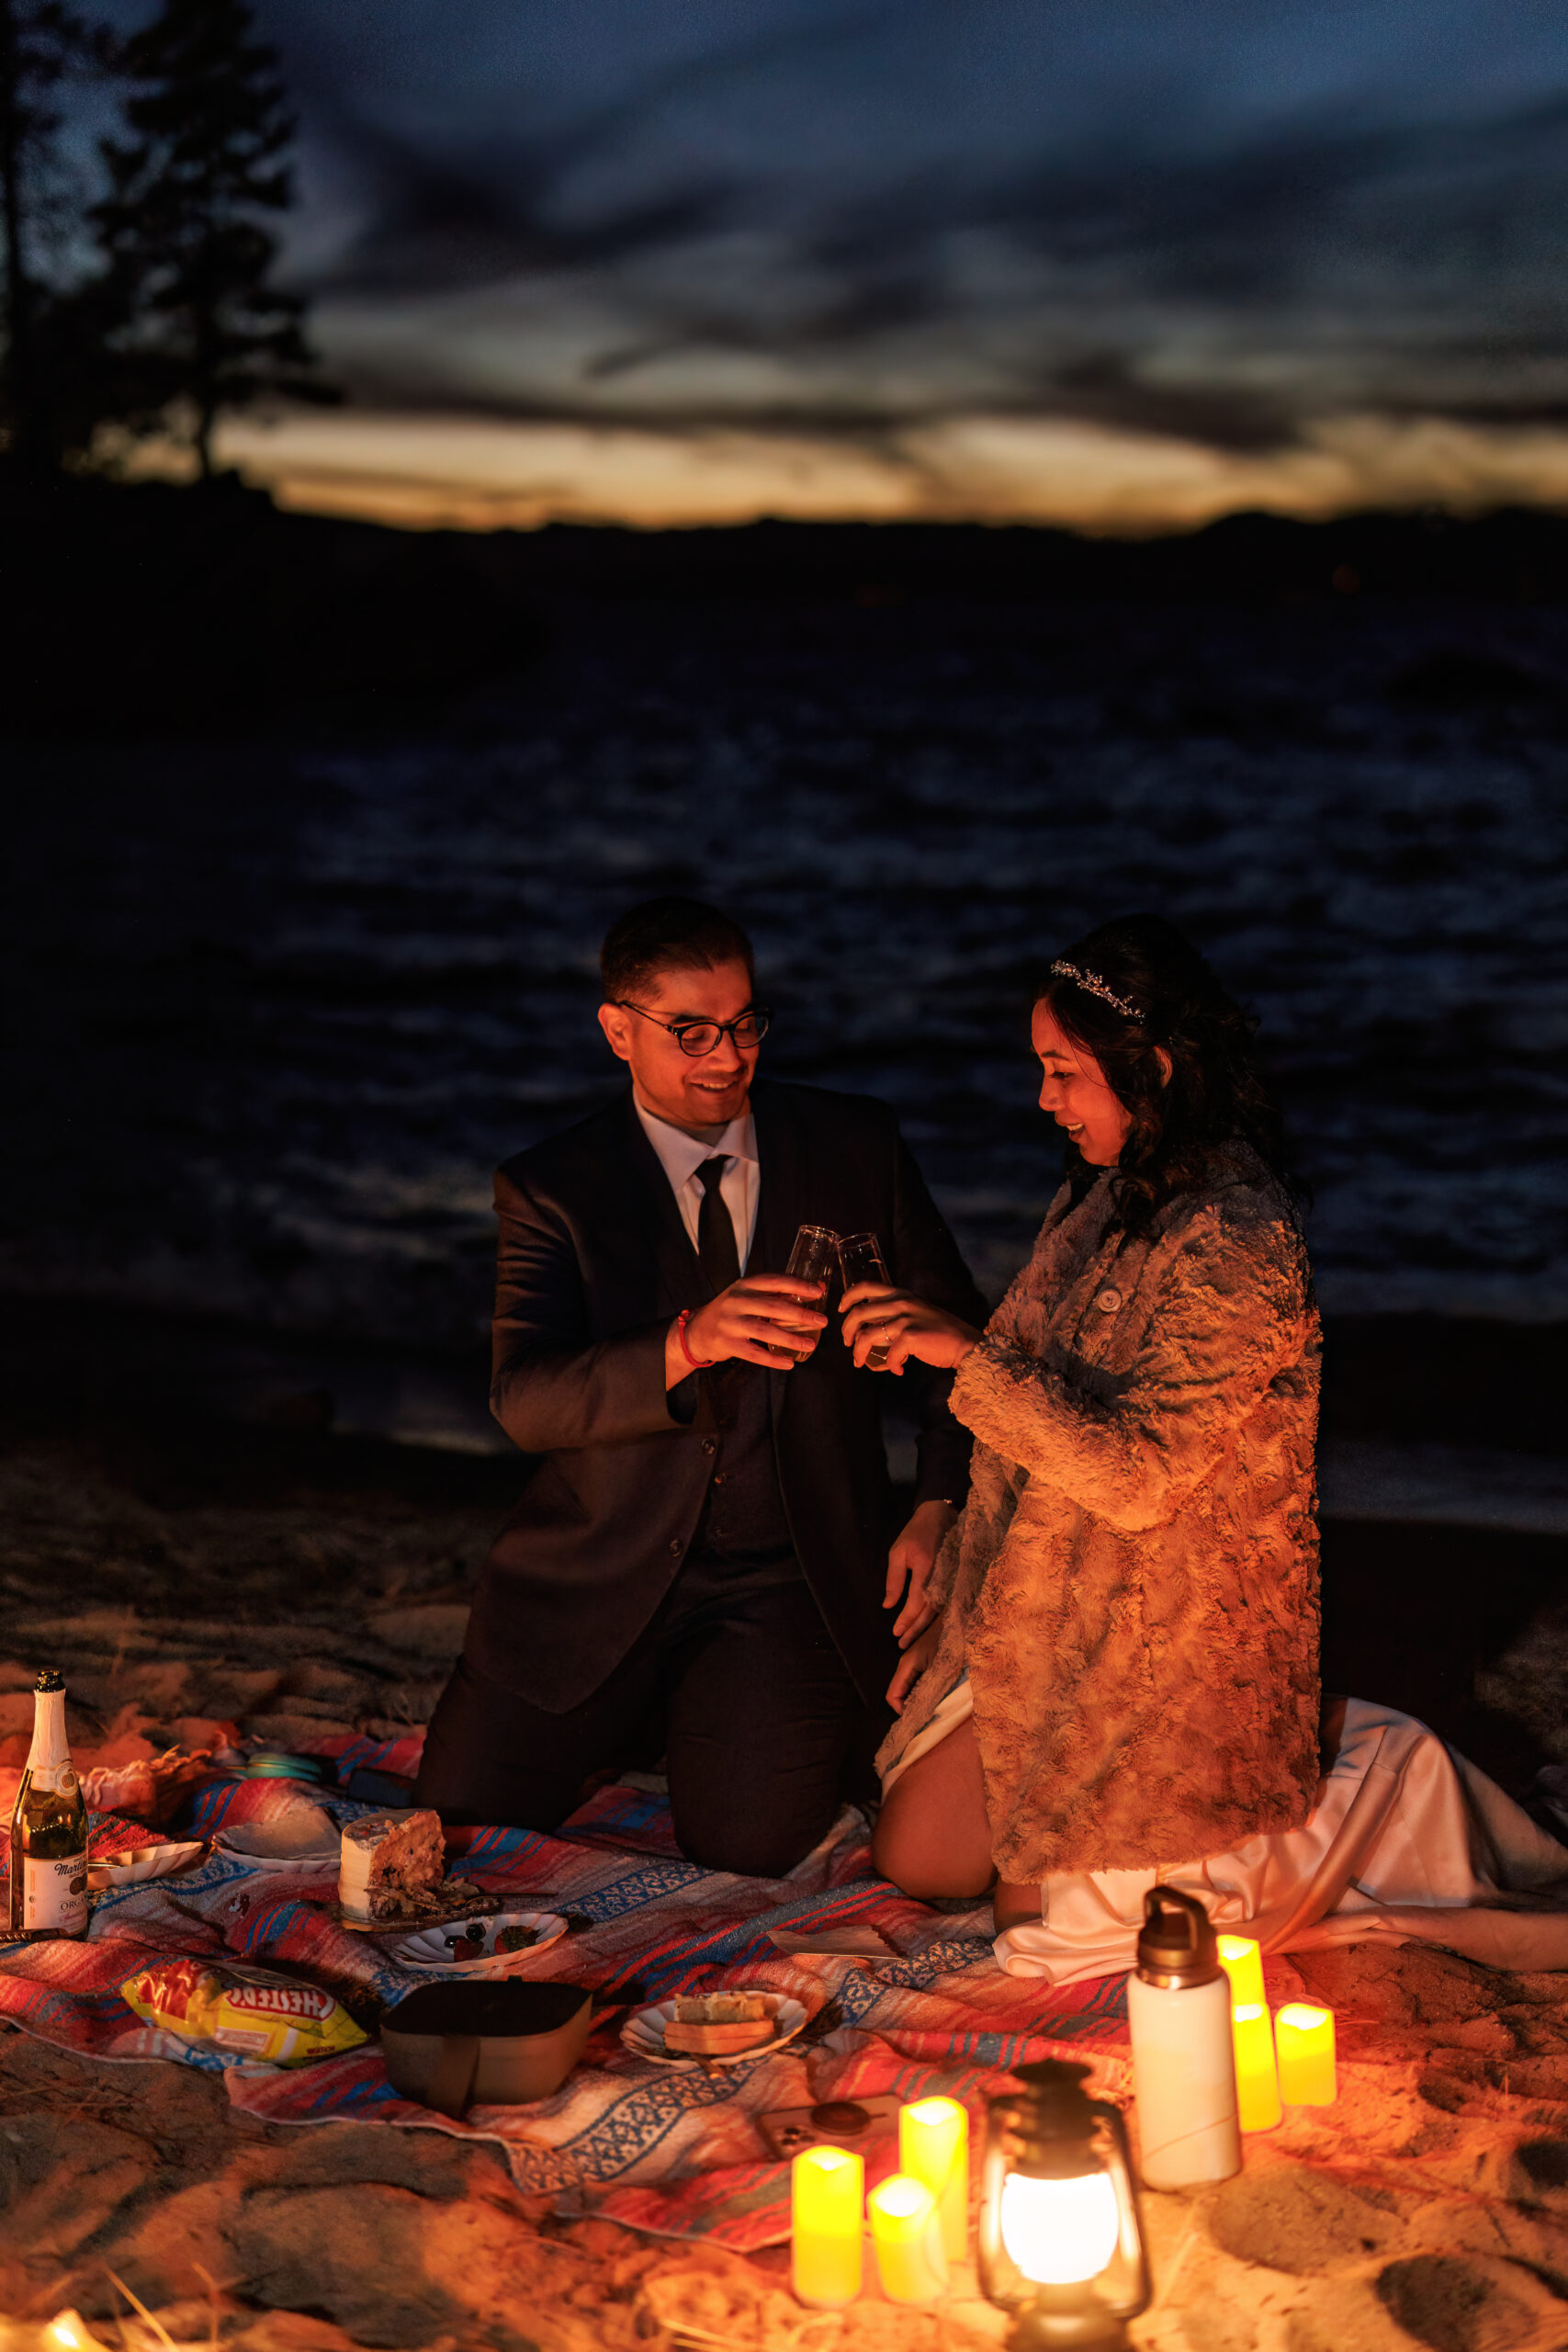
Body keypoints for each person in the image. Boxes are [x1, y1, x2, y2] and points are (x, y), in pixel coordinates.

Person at [415, 894, 987, 1877]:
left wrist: (937, 1502)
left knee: (747, 1843)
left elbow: (967, 1349)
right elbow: (528, 1399)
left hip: (785, 1577)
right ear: (618, 1032)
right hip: (592, 1578)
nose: (728, 1057)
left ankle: (724, 1718)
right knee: (451, 1827)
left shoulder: (856, 1147)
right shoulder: (553, 1186)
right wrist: (687, 1340)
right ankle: (642, 1718)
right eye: (692, 1033)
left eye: (745, 1024)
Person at [840, 912, 1323, 1924]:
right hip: (1046, 1597)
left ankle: (1355, 1764)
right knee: (917, 1858)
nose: (1045, 1097)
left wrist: (963, 1350)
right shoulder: (1106, 1196)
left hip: (1156, 1628)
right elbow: (1028, 1429)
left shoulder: (1237, 1237)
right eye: (1040, 1067)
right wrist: (961, 1595)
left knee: (1034, 1918)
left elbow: (1141, 1479)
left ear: (1148, 1066)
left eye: (1064, 1070)